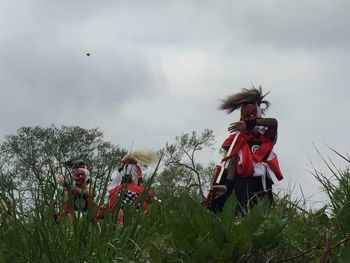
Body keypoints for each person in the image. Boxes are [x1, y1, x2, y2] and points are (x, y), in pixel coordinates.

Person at [208, 86, 283, 214]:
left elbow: (274, 122)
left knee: (264, 216)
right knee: (239, 214)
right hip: (242, 182)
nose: (246, 119)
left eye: (251, 116)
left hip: (261, 183)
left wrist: (250, 123)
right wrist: (226, 184)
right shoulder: (237, 139)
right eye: (244, 117)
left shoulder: (266, 138)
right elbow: (232, 164)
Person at [95, 150, 157, 225]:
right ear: (136, 177)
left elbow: (104, 211)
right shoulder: (140, 190)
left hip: (114, 224)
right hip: (132, 224)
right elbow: (151, 201)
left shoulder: (113, 190)